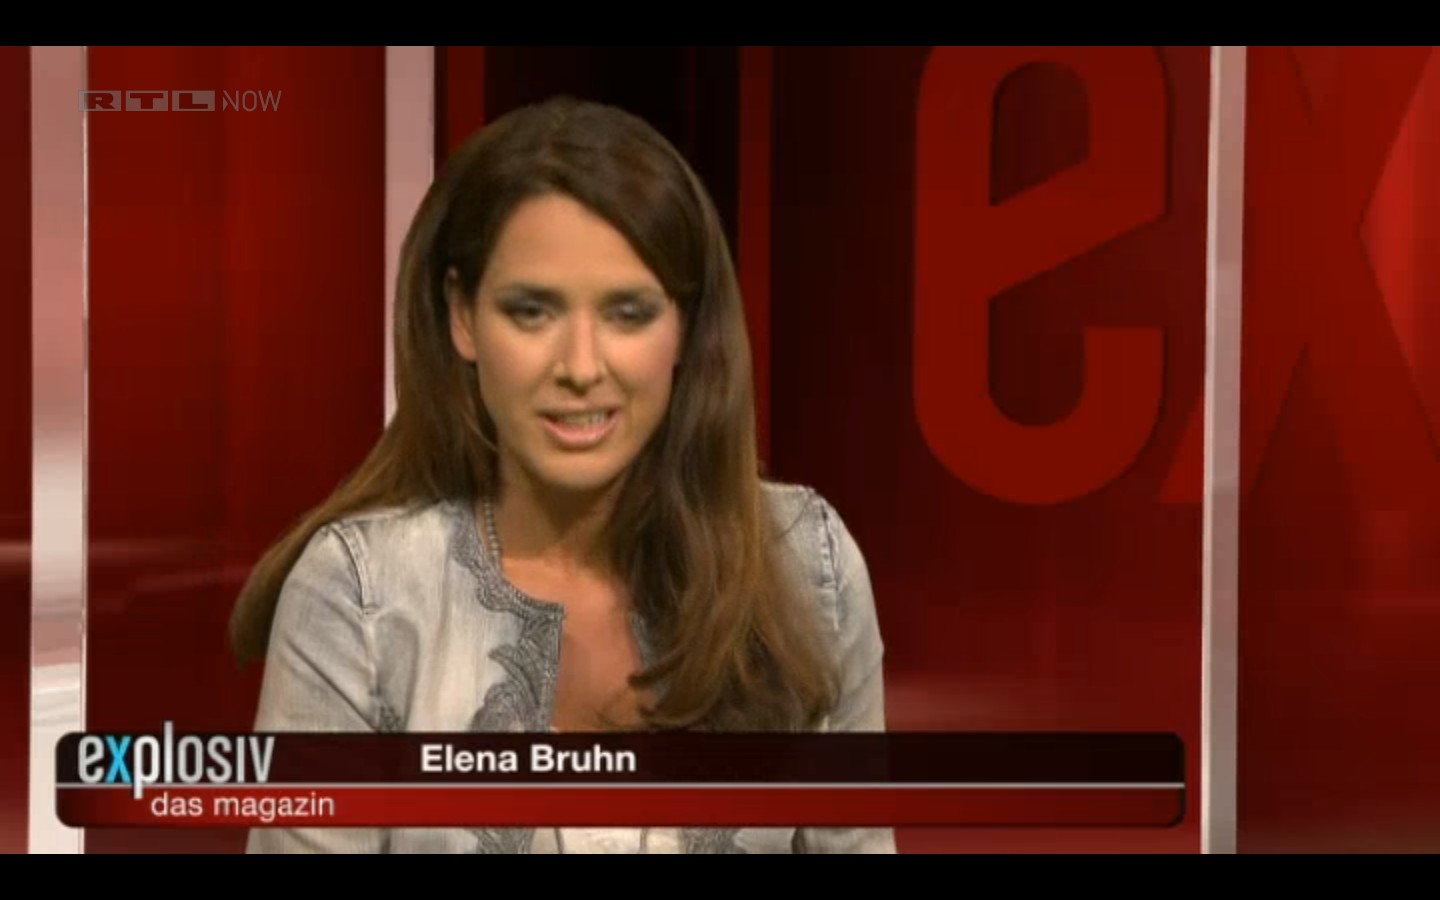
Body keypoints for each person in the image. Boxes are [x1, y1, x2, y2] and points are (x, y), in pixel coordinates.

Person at [229, 95, 893, 853]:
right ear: (462, 316)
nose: (580, 367)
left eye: (628, 313)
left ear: (685, 326)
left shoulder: (808, 563)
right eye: (532, 311)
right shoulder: (361, 594)